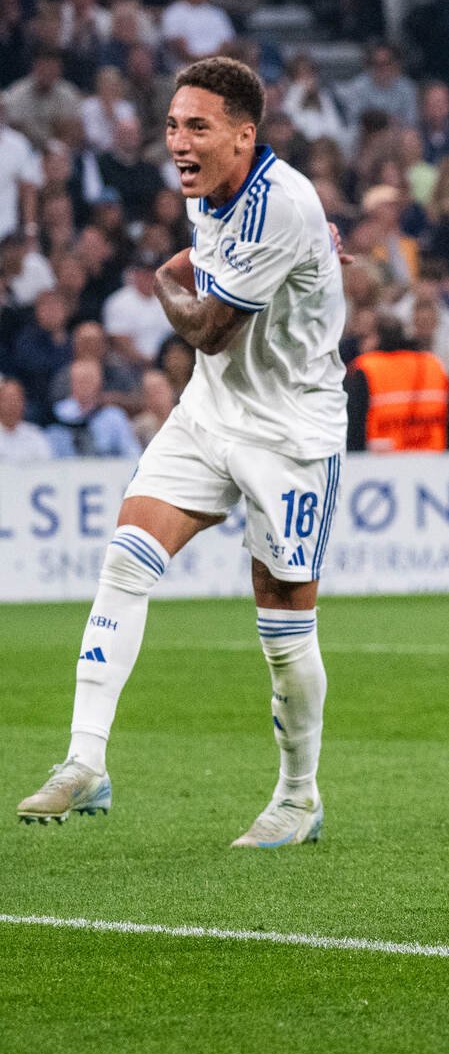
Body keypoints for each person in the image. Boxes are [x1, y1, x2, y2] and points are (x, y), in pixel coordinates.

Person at [16, 57, 346, 848]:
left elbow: (204, 325)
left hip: (290, 435)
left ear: (244, 133)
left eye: (197, 127)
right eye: (171, 125)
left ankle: (299, 798)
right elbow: (190, 283)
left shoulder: (278, 205)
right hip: (209, 412)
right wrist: (177, 276)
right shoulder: (215, 192)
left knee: (284, 632)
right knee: (126, 558)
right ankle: (84, 760)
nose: (178, 142)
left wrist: (165, 281)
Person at [345, 314, 449, 452]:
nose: (361, 344)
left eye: (365, 338)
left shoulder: (367, 368)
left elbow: (353, 422)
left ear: (377, 338)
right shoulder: (432, 364)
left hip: (378, 463)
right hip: (432, 460)